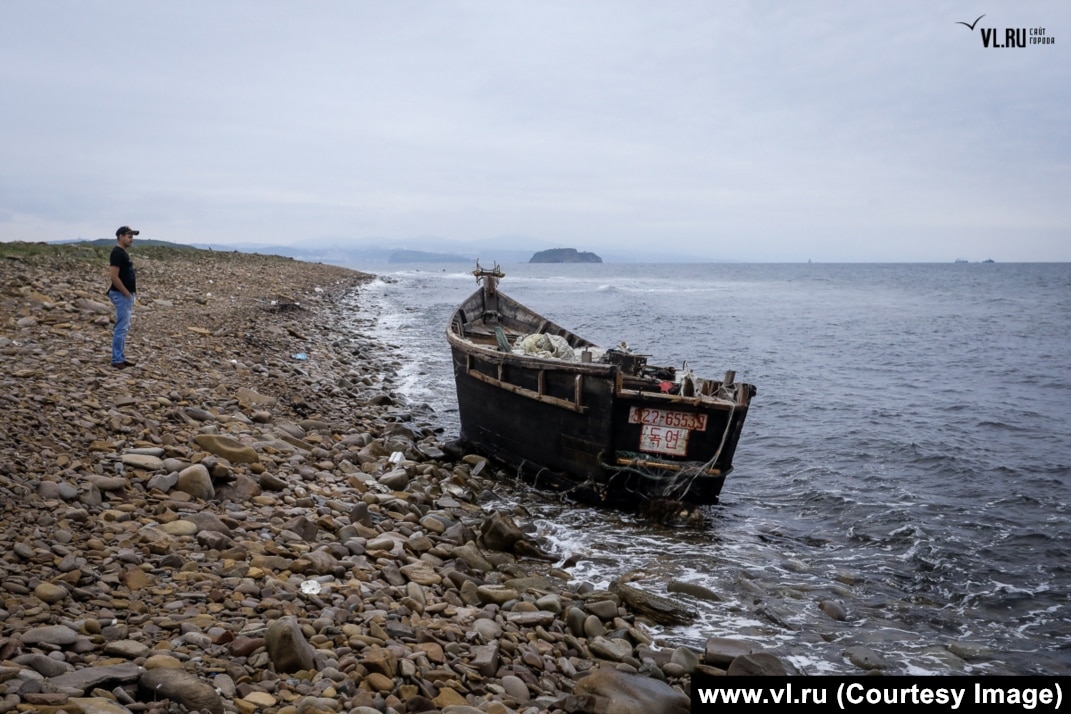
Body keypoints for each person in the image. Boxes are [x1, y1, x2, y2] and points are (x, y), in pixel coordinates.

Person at [107, 226, 139, 368]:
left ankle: (120, 356)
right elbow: (113, 276)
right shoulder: (117, 253)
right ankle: (117, 359)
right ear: (120, 236)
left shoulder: (122, 253)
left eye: (132, 236)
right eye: (128, 236)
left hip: (125, 294)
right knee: (121, 327)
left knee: (123, 327)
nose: (131, 239)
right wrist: (126, 293)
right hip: (121, 295)